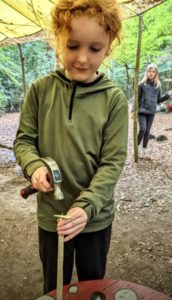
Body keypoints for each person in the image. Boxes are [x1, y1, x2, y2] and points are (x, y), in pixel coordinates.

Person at [13, 0, 128, 294]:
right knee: (55, 286)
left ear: (109, 46)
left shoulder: (114, 100)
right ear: (57, 40)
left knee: (93, 285)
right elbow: (24, 140)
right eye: (73, 45)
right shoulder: (40, 91)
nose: (82, 59)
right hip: (52, 216)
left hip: (95, 218)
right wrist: (34, 166)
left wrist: (87, 206)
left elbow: (112, 163)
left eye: (95, 48)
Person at [132, 63, 171, 157]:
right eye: (149, 71)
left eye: (153, 72)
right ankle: (136, 149)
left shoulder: (158, 85)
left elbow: (158, 99)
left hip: (151, 111)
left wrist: (168, 96)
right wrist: (134, 110)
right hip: (141, 110)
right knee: (142, 129)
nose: (151, 73)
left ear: (156, 73)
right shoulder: (141, 84)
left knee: (147, 131)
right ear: (147, 72)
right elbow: (136, 98)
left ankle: (143, 150)